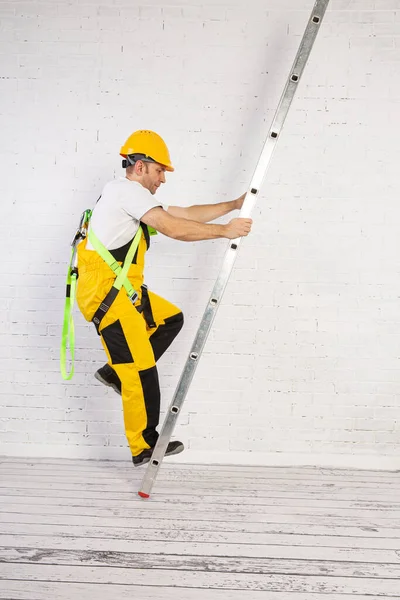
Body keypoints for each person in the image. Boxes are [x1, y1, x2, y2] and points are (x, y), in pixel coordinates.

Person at [76, 130, 252, 467]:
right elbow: (174, 229)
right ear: (140, 167)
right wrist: (224, 231)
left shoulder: (130, 197)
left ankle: (115, 373)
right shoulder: (124, 191)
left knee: (170, 319)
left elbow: (184, 214)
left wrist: (232, 205)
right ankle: (143, 445)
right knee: (141, 371)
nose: (162, 179)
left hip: (122, 290)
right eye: (160, 171)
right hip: (108, 297)